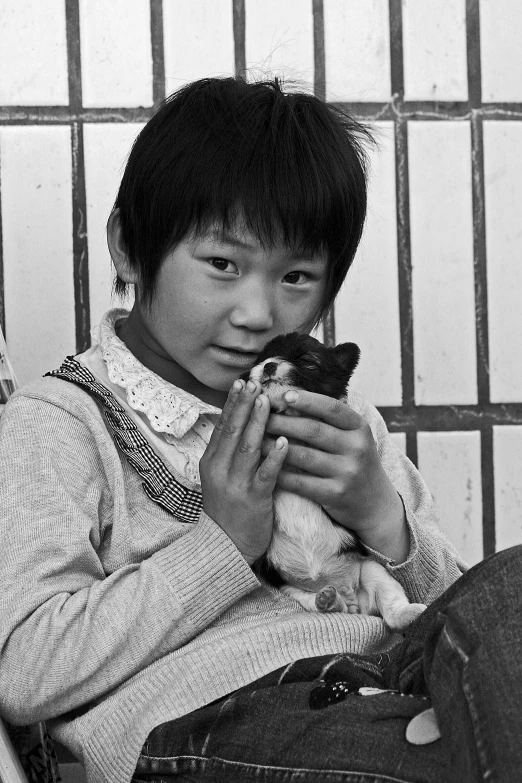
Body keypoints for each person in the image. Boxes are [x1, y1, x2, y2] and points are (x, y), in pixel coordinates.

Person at [0, 76, 518, 783]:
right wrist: (223, 545)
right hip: (219, 722)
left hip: (395, 675)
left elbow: (470, 633)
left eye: (296, 276)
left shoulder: (341, 420)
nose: (258, 312)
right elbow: (26, 669)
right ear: (128, 247)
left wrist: (380, 515)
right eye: (223, 264)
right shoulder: (64, 422)